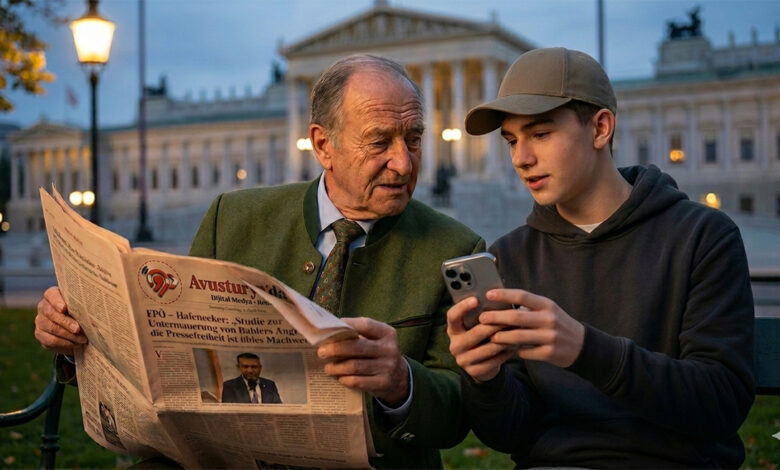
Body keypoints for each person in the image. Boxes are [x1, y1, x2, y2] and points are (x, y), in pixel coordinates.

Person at [34, 54, 485, 469]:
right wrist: (77, 333)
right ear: (323, 145)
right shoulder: (231, 219)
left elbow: (463, 411)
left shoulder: (457, 248)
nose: (404, 164)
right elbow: (164, 359)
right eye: (379, 142)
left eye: (413, 138)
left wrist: (400, 384)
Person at [446, 47, 755, 468]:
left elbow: (720, 404)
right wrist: (485, 379)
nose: (521, 158)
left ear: (600, 129)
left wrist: (585, 350)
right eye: (512, 140)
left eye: (540, 134)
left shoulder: (703, 237)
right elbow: (510, 434)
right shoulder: (510, 256)